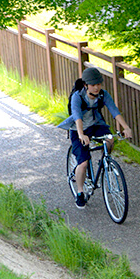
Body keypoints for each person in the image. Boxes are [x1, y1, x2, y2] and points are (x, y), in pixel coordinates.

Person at [58, 67, 133, 209]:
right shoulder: (77, 97)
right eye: (93, 85)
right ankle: (80, 192)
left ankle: (105, 161)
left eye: (98, 84)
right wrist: (81, 135)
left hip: (96, 124)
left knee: (110, 139)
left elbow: (114, 111)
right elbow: (77, 116)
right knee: (84, 163)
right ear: (86, 85)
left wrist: (126, 127)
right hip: (78, 128)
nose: (97, 87)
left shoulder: (103, 95)